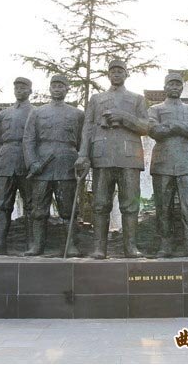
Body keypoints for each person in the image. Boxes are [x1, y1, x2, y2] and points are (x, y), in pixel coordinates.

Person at [75, 60, 148, 259]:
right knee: (100, 204)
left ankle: (130, 248)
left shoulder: (137, 99)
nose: (116, 74)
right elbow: (88, 128)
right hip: (102, 156)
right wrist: (83, 154)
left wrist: (124, 117)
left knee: (130, 205)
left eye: (120, 71)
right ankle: (99, 248)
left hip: (129, 157)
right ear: (108, 75)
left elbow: (146, 127)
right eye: (113, 71)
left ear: (126, 74)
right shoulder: (96, 99)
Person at [22, 74, 84, 257]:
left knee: (68, 209)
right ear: (49, 89)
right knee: (39, 209)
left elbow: (83, 142)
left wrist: (81, 160)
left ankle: (71, 245)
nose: (57, 89)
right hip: (42, 166)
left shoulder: (77, 114)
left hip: (67, 164)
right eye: (54, 86)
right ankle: (37, 246)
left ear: (67, 89)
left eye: (61, 86)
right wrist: (32, 162)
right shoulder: (37, 113)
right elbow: (28, 140)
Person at [148, 73, 188, 257]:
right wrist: (182, 127)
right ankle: (165, 245)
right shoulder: (155, 109)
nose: (174, 87)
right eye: (171, 84)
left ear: (182, 87)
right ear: (165, 87)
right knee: (163, 208)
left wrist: (173, 126)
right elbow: (154, 130)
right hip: (162, 163)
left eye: (177, 84)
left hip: (187, 163)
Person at [0, 77, 33, 255]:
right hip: (5, 160)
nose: (19, 90)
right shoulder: (3, 115)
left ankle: (32, 243)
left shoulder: (36, 113)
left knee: (31, 203)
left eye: (23, 88)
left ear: (30, 91)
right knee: (1, 203)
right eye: (17, 88)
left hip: (27, 160)